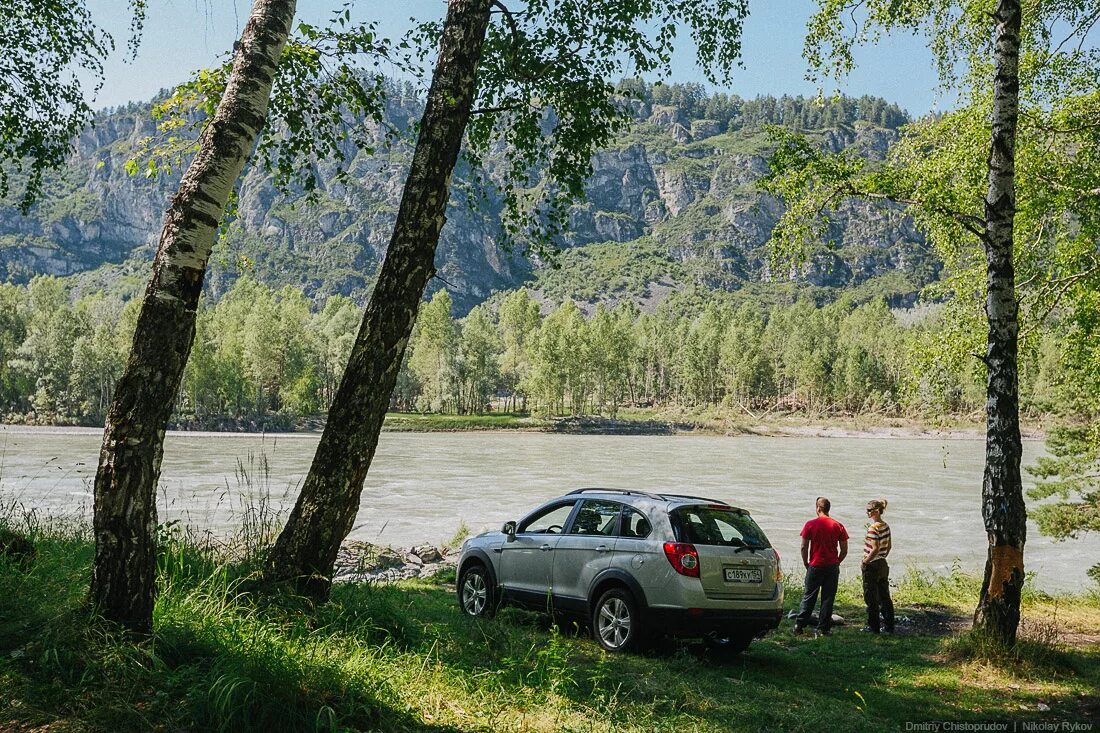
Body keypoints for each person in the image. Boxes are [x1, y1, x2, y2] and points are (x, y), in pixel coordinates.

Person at [794, 497, 848, 636]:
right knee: (828, 597)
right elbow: (844, 550)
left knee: (809, 596)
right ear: (828, 509)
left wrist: (806, 562)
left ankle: (799, 626)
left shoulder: (810, 524)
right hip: (831, 566)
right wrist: (837, 561)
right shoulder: (838, 525)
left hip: (815, 565)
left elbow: (804, 546)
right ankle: (823, 628)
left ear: (818, 508)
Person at [861, 498, 895, 633]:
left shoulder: (873, 528)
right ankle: (889, 625)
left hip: (872, 565)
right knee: (884, 596)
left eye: (869, 510)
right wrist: (883, 556)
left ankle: (873, 627)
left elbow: (874, 548)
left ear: (876, 512)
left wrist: (866, 561)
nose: (867, 513)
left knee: (871, 597)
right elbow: (889, 546)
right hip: (882, 563)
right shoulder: (885, 526)